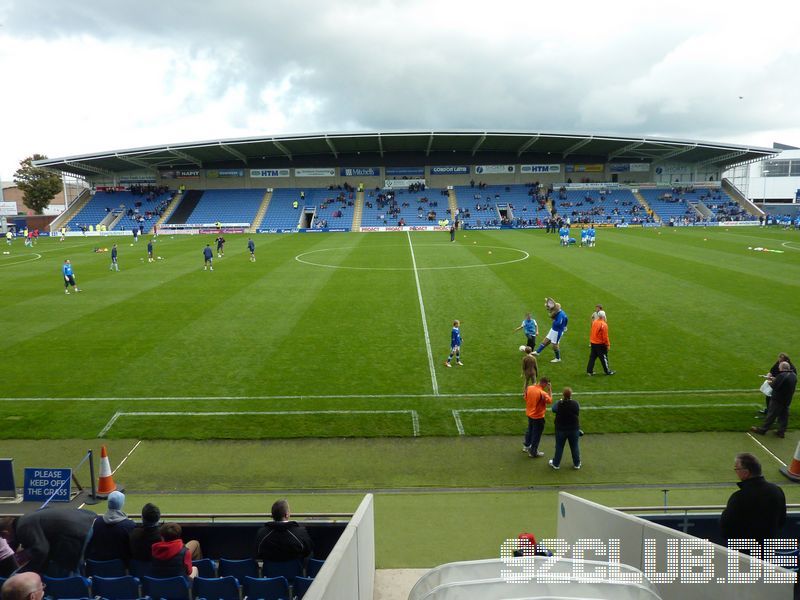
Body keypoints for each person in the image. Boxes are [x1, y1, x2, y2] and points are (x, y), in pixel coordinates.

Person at [0, 508, 96, 576]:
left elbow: (41, 550)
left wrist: (29, 572)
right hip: (85, 521)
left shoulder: (22, 528)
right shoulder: (24, 520)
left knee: (68, 571)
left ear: (6, 533)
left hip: (77, 532)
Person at [720, 453, 786, 548]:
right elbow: (781, 521)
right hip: (766, 550)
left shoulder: (739, 497)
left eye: (737, 469)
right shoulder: (777, 491)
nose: (736, 472)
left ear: (746, 472)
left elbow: (726, 528)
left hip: (743, 553)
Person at [86, 491, 135, 563]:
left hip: (97, 567)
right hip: (120, 568)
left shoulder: (96, 522)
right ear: (122, 504)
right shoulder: (129, 525)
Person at [751, 361, 797, 438]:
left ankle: (762, 430)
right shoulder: (793, 375)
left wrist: (770, 382)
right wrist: (775, 379)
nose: (779, 368)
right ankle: (781, 432)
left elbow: (774, 386)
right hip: (787, 399)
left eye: (779, 367)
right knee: (784, 416)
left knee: (771, 414)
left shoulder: (781, 375)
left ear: (782, 368)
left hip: (778, 399)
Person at [549, 387, 581, 470]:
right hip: (573, 429)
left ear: (563, 395)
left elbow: (553, 409)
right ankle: (577, 464)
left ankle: (556, 464)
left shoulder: (559, 404)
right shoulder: (575, 403)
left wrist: (559, 401)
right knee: (574, 446)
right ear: (571, 395)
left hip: (561, 429)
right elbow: (577, 411)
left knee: (559, 447)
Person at [523, 376, 552, 458]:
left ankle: (526, 446)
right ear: (545, 383)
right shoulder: (542, 393)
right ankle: (533, 452)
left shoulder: (529, 388)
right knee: (537, 434)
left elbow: (525, 397)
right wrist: (550, 390)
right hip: (538, 417)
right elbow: (550, 401)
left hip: (529, 414)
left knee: (530, 430)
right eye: (547, 385)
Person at [534, 298, 567, 363]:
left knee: (554, 345)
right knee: (546, 340)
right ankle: (537, 352)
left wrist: (553, 320)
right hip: (553, 329)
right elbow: (566, 319)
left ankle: (558, 358)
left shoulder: (560, 314)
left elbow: (558, 323)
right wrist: (565, 326)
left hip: (557, 332)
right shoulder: (560, 312)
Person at [586, 310, 615, 375]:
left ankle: (589, 371)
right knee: (604, 358)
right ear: (604, 316)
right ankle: (607, 371)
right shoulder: (604, 324)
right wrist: (608, 345)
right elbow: (605, 336)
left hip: (593, 342)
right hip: (600, 344)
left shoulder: (594, 322)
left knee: (592, 357)